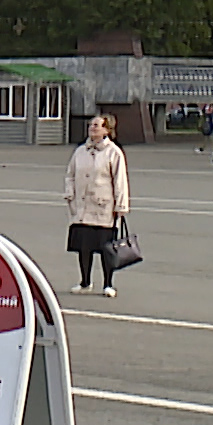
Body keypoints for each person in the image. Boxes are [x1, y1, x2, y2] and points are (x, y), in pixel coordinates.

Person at [64, 114, 130, 298]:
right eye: (91, 125)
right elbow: (70, 174)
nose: (92, 128)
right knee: (84, 247)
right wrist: (69, 193)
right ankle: (85, 282)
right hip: (82, 208)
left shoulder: (113, 152)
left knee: (106, 248)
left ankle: (108, 284)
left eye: (96, 125)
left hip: (104, 209)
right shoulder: (80, 151)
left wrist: (121, 206)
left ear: (106, 129)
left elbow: (120, 181)